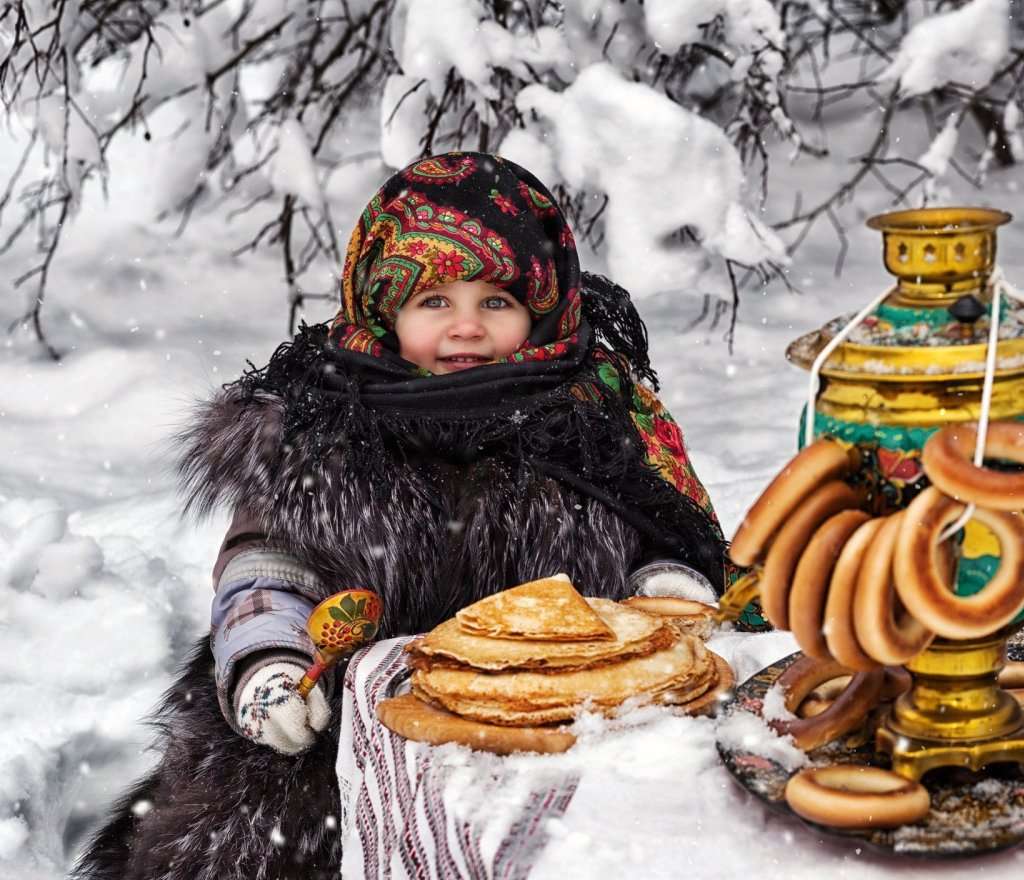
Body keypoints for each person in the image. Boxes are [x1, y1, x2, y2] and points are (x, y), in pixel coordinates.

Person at [72, 152, 753, 880]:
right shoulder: (320, 427)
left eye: (496, 302)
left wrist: (667, 586)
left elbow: (660, 531)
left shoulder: (592, 416)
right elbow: (267, 566)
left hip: (556, 724)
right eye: (434, 302)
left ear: (542, 307)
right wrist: (269, 661)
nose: (467, 328)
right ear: (384, 309)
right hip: (335, 738)